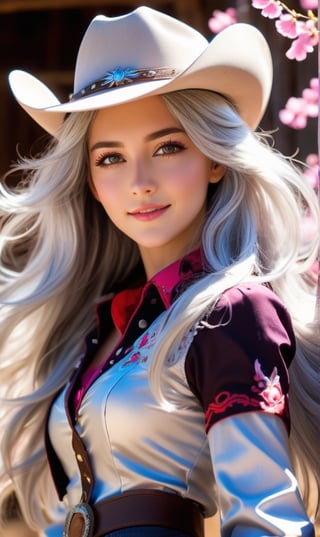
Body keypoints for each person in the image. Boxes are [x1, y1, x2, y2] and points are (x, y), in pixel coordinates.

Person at [0, 6, 319, 537]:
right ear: (88, 180)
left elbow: (267, 522)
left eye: (167, 147)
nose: (139, 182)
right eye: (110, 158)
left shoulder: (232, 313)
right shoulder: (101, 328)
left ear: (215, 158)